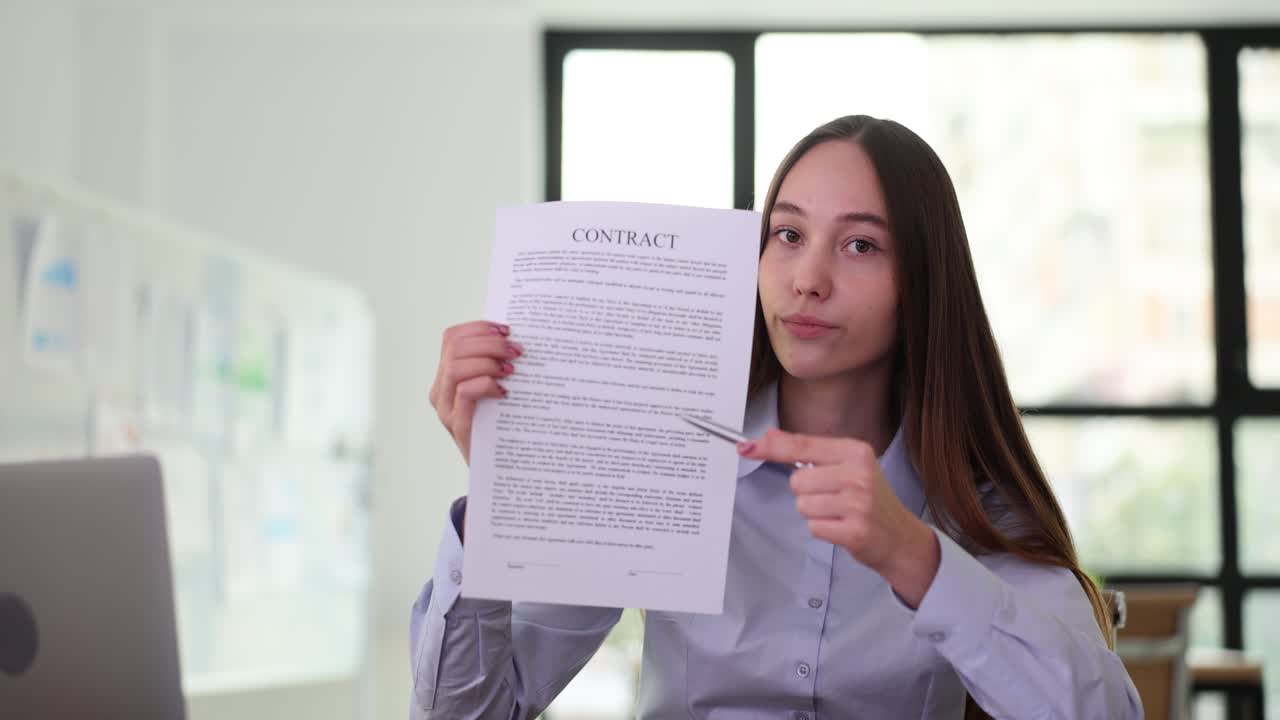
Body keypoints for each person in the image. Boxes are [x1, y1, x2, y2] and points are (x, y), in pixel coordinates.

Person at [411, 115, 1143, 719]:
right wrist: (504, 503)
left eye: (860, 245)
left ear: (921, 280)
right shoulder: (663, 457)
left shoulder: (971, 496)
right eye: (788, 235)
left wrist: (914, 558)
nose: (808, 280)